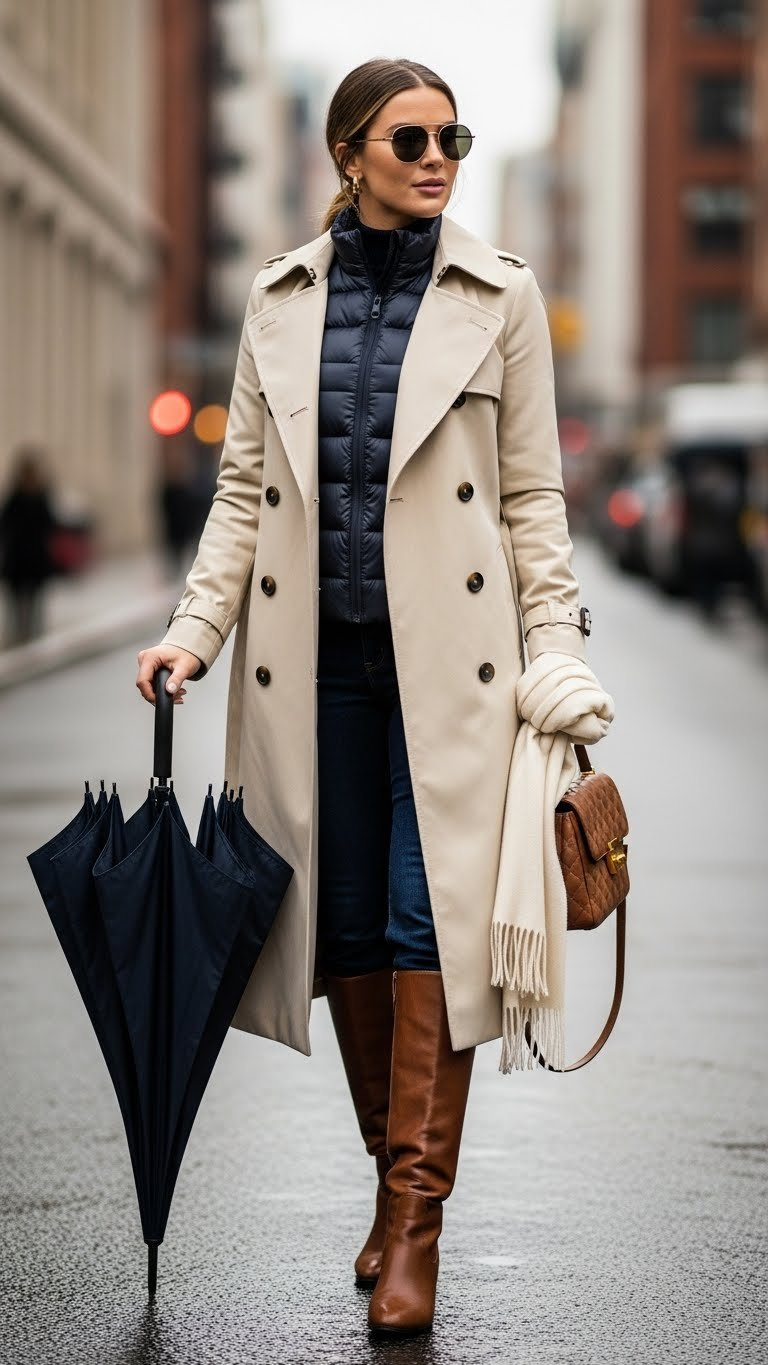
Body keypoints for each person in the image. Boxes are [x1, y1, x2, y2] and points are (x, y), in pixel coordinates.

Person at [136, 58, 595, 1336]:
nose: (438, 157)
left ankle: (415, 1226)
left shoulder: (502, 295)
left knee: (423, 920)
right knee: (342, 928)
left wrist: (557, 649)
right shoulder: (279, 298)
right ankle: (391, 1192)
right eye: (411, 139)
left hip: (455, 675)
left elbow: (531, 499)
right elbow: (242, 494)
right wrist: (192, 632)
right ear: (350, 154)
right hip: (315, 669)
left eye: (453, 137)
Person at [0, 447, 55, 645]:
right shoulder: (15, 498)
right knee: (16, 601)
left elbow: (49, 523)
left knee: (34, 600)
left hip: (35, 559)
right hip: (18, 560)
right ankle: (20, 634)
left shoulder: (41, 496)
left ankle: (32, 635)